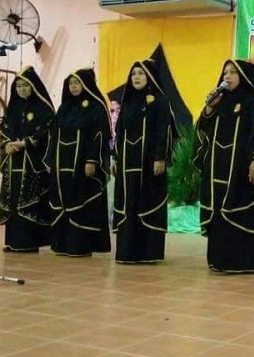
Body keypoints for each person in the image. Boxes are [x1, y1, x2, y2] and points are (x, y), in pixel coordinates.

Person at [195, 59, 254, 273]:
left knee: (240, 211)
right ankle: (219, 260)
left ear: (244, 75)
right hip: (217, 170)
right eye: (225, 72)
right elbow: (203, 129)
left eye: (233, 72)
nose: (227, 76)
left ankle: (245, 262)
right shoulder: (220, 101)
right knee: (219, 214)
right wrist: (209, 108)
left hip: (242, 170)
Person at [112, 59, 175, 264]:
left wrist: (160, 157)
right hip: (127, 165)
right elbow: (119, 132)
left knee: (147, 202)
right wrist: (114, 156)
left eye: (141, 73)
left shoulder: (159, 100)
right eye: (133, 74)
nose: (136, 77)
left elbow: (163, 131)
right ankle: (127, 251)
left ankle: (148, 252)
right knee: (128, 204)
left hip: (149, 165)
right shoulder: (128, 102)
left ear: (149, 77)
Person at [45, 68, 112, 257]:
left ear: (86, 85)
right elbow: (54, 134)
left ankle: (81, 245)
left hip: (83, 164)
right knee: (62, 199)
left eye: (77, 83)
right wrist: (50, 159)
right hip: (62, 164)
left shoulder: (96, 107)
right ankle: (62, 244)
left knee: (81, 200)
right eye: (71, 83)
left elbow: (98, 136)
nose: (73, 87)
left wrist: (92, 160)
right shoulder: (64, 107)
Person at [0, 66, 55, 252]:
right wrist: (6, 145)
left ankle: (29, 243)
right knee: (13, 201)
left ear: (34, 86)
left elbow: (47, 131)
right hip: (13, 162)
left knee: (29, 202)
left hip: (32, 163)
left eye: (26, 86)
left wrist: (25, 143)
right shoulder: (13, 108)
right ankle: (14, 242)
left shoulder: (43, 108)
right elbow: (5, 130)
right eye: (19, 86)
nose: (22, 89)